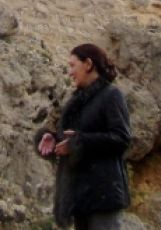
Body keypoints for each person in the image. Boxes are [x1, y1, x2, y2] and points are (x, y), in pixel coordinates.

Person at [37, 43, 132, 230]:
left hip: (103, 195)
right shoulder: (77, 102)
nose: (70, 72)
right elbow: (75, 137)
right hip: (80, 196)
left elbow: (121, 138)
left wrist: (80, 142)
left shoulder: (111, 95)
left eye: (73, 66)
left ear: (88, 64)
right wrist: (54, 139)